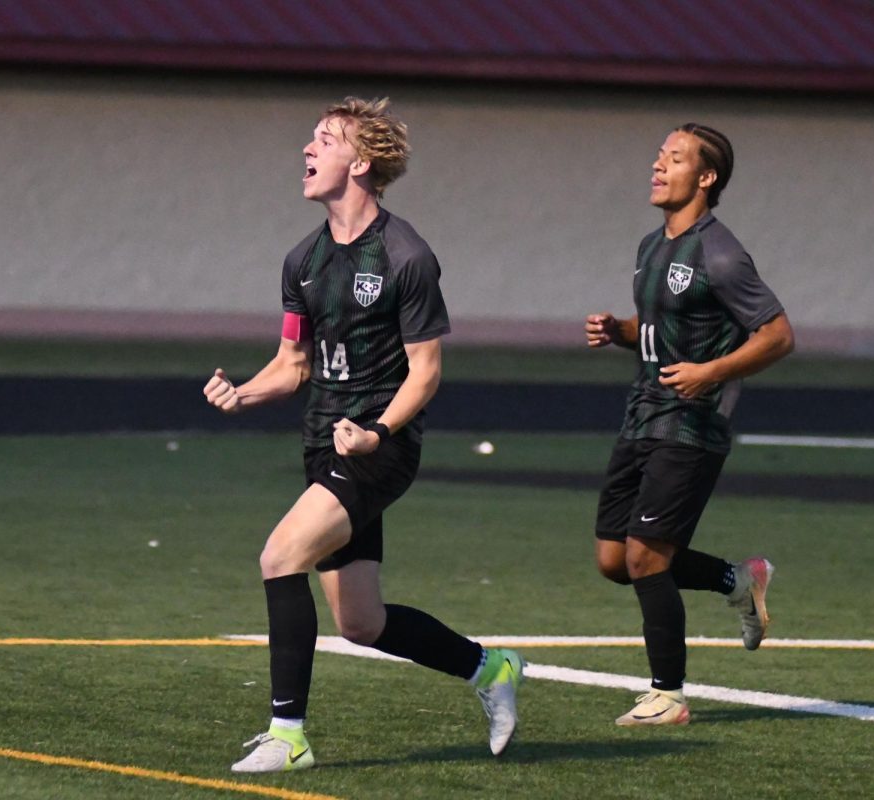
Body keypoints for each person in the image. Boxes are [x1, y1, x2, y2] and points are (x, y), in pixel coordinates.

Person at [204, 97, 524, 772]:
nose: (307, 151)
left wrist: (379, 431)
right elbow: (292, 365)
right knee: (361, 623)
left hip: (383, 450)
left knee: (279, 555)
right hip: (324, 447)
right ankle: (489, 669)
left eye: (323, 140)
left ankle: (288, 737)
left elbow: (426, 372)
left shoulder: (406, 256)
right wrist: (244, 391)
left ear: (363, 160)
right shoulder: (302, 260)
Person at [584, 122, 795, 727]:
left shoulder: (722, 253)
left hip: (693, 424)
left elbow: (777, 335)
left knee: (646, 558)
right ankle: (738, 580)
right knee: (612, 559)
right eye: (658, 155)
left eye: (674, 159)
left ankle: (668, 695)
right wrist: (620, 332)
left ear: (706, 178)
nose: (658, 165)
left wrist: (712, 372)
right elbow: (664, 330)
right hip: (642, 412)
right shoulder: (653, 245)